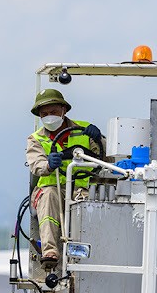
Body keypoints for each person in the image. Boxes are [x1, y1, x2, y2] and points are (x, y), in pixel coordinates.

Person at [26, 88, 103, 270]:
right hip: (49, 189)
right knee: (50, 196)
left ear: (64, 110)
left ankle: (93, 254)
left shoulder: (84, 130)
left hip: (80, 189)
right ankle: (50, 252)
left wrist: (99, 138)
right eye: (44, 114)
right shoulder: (35, 139)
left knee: (86, 203)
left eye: (53, 112)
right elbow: (36, 164)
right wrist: (49, 165)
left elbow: (104, 158)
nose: (49, 117)